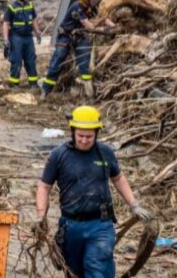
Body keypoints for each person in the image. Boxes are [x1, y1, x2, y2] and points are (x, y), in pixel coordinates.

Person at [36, 106, 153, 277]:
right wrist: (41, 216)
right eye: (80, 136)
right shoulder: (59, 155)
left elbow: (118, 178)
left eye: (89, 136)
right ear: (73, 131)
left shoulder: (105, 153)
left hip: (100, 224)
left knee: (97, 265)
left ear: (97, 133)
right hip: (71, 226)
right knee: (73, 271)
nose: (84, 140)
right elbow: (44, 186)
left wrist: (134, 205)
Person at [41, 0, 114, 100]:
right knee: (58, 60)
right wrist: (104, 30)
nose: (95, 0)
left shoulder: (91, 7)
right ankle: (45, 91)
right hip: (66, 36)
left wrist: (114, 26)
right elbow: (89, 26)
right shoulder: (77, 7)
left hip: (80, 37)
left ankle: (90, 96)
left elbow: (103, 18)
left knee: (84, 65)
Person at [2, 0, 41, 87]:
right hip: (16, 37)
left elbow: (34, 19)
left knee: (30, 60)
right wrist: (6, 39)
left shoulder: (30, 5)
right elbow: (6, 23)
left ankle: (33, 84)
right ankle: (14, 84)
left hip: (28, 37)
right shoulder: (11, 8)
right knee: (16, 60)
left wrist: (37, 32)